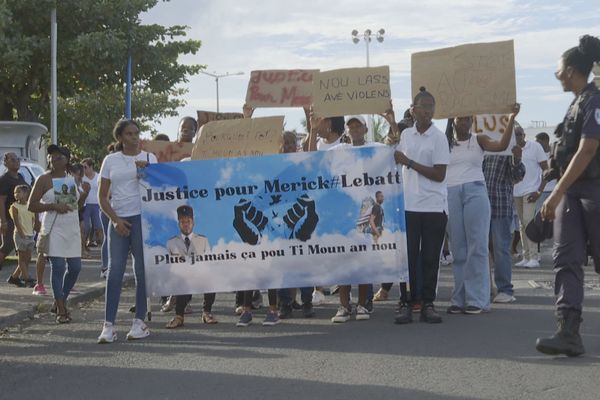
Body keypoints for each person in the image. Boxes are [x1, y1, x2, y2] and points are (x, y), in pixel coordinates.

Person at [536, 34, 600, 357]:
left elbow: (589, 149)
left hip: (593, 190)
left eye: (558, 69)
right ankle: (568, 332)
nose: (556, 74)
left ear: (572, 70)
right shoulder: (576, 103)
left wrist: (556, 192)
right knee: (566, 259)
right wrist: (554, 175)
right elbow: (570, 150)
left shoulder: (595, 101)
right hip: (572, 192)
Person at [444, 104, 520, 315]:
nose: (464, 122)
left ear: (472, 121)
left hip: (475, 191)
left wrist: (511, 118)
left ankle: (477, 299)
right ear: (453, 121)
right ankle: (459, 298)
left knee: (477, 246)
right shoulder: (444, 143)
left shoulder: (479, 139)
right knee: (458, 248)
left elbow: (502, 144)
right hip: (451, 193)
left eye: (468, 119)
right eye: (460, 119)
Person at [319, 114, 386, 323]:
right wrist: (313, 128)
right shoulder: (339, 151)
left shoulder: (375, 148)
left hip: (366, 210)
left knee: (363, 258)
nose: (355, 130)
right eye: (351, 127)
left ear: (365, 130)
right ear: (346, 131)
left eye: (359, 126)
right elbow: (313, 158)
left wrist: (392, 123)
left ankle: (363, 305)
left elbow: (394, 147)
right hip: (343, 211)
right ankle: (344, 306)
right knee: (343, 257)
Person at [97, 119, 157, 343]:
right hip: (119, 219)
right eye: (130, 134)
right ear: (120, 138)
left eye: (137, 133)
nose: (135, 137)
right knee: (114, 272)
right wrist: (115, 220)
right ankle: (108, 325)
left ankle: (139, 322)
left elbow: (160, 189)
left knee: (142, 271)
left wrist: (148, 174)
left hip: (143, 218)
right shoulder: (110, 160)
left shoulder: (150, 158)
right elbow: (102, 196)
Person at [393, 87, 449, 324]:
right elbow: (395, 160)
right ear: (413, 110)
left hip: (434, 206)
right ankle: (407, 302)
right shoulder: (406, 136)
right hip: (409, 204)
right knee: (408, 258)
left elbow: (439, 174)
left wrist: (410, 162)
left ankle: (428, 303)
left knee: (429, 257)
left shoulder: (439, 137)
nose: (428, 111)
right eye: (423, 106)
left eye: (431, 106)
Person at [28, 145, 82, 323]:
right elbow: (32, 205)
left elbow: (74, 206)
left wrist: (84, 196)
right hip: (53, 228)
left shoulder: (71, 179)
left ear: (67, 160)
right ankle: (61, 309)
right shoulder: (43, 179)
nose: (54, 160)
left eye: (59, 157)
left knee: (75, 268)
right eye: (52, 157)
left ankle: (60, 299)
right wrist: (52, 206)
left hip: (71, 228)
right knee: (58, 267)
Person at [483, 124, 526, 304]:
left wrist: (517, 158)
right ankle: (484, 288)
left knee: (500, 249)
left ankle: (505, 289)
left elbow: (517, 176)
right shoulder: (485, 149)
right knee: (481, 249)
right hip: (480, 206)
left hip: (500, 206)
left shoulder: (509, 152)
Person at [165, 205, 217, 328]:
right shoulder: (171, 242)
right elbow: (167, 263)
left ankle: (206, 312)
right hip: (181, 274)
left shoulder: (203, 240)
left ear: (193, 222)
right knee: (181, 276)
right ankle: (179, 316)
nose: (186, 224)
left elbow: (209, 259)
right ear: (179, 224)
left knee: (211, 275)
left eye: (188, 221)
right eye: (182, 222)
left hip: (200, 272)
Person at [512, 125, 548, 268]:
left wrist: (539, 190)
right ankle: (526, 256)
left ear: (524, 135)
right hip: (516, 192)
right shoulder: (511, 150)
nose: (517, 137)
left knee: (528, 221)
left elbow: (546, 169)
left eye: (519, 134)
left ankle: (534, 256)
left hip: (531, 191)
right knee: (521, 224)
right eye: (514, 135)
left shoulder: (535, 147)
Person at [0, 152, 27, 278]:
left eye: (17, 159)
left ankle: (16, 277)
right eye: (13, 159)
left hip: (23, 218)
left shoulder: (20, 176)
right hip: (10, 218)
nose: (16, 161)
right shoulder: (4, 179)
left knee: (23, 248)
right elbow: (1, 201)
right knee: (8, 245)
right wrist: (3, 221)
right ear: (5, 162)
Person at [8, 185, 36, 287]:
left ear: (26, 193)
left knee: (27, 258)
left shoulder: (30, 206)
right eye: (15, 192)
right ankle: (26, 278)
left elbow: (33, 220)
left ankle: (14, 277)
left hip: (30, 235)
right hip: (20, 235)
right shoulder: (14, 207)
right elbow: (16, 222)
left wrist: (32, 231)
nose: (16, 194)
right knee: (22, 258)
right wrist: (21, 234)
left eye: (18, 192)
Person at [81, 158, 103, 251]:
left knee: (98, 226)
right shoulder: (82, 178)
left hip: (96, 205)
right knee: (86, 227)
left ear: (91, 167)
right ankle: (83, 246)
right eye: (82, 167)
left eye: (85, 167)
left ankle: (101, 246)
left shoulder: (98, 177)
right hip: (85, 205)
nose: (83, 169)